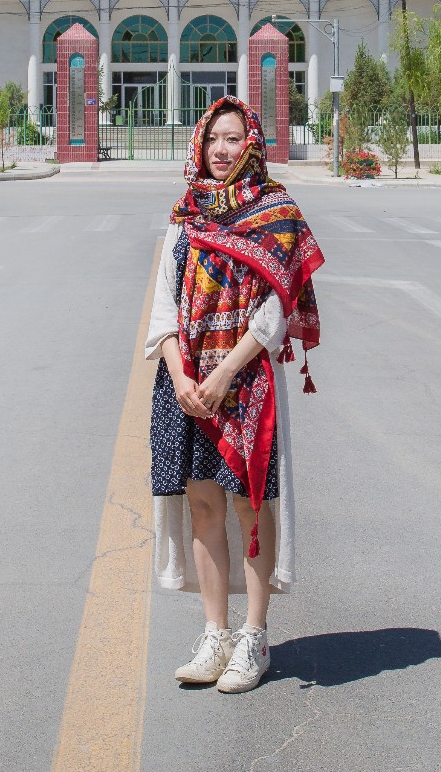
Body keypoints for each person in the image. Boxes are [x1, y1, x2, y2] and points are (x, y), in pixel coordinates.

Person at [147, 95, 324, 694]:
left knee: (250, 508)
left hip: (244, 384)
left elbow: (274, 315)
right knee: (202, 507)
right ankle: (214, 632)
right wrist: (182, 376)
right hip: (189, 383)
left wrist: (224, 376)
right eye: (214, 139)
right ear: (200, 143)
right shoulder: (183, 216)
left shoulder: (277, 213)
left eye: (233, 139)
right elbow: (164, 308)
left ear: (251, 143)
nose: (222, 151)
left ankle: (253, 636)